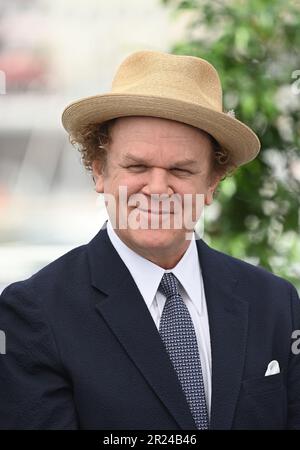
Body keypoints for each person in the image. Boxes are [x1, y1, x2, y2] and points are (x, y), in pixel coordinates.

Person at [0, 50, 299, 430]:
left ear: (211, 183)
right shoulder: (32, 313)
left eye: (181, 169)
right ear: (99, 173)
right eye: (137, 166)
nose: (158, 188)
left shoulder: (275, 303)